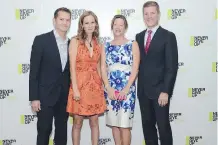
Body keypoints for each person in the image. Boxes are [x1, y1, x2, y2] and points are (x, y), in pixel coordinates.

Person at [135, 1, 178, 145]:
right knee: (147, 128)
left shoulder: (168, 36)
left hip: (160, 92)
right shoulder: (139, 37)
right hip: (143, 92)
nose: (149, 16)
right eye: (146, 14)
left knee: (163, 127)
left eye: (152, 13)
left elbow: (171, 67)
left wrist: (166, 91)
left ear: (158, 14)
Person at [29, 7, 71, 145]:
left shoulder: (72, 43)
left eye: (68, 20)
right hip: (44, 96)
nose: (65, 23)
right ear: (54, 21)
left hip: (64, 97)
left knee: (61, 133)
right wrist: (34, 97)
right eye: (61, 19)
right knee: (44, 131)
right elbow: (34, 71)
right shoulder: (41, 40)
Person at [66, 10, 106, 145]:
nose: (89, 25)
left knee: (95, 122)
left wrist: (103, 87)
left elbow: (100, 68)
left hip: (95, 87)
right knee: (77, 122)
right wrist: (75, 89)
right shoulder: (75, 41)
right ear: (82, 25)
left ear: (96, 24)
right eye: (86, 22)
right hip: (79, 86)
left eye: (92, 22)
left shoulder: (99, 44)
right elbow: (71, 67)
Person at [101, 14, 140, 145]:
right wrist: (108, 87)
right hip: (111, 88)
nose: (118, 27)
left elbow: (135, 68)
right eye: (115, 24)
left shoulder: (132, 44)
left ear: (125, 27)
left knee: (124, 125)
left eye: (121, 25)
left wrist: (127, 88)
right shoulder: (105, 45)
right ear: (112, 26)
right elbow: (102, 67)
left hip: (127, 89)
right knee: (114, 124)